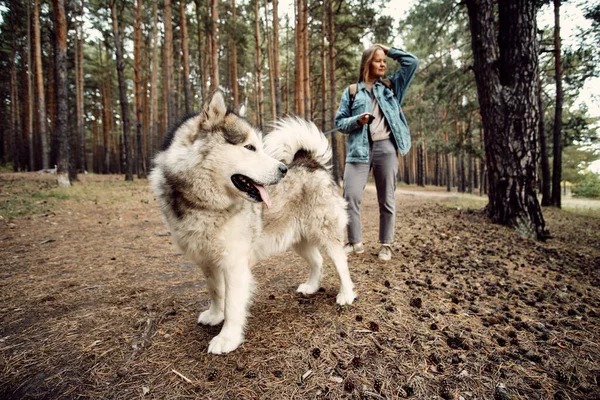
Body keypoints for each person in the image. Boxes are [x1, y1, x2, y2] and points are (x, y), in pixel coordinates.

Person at [334, 44, 418, 261]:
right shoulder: (352, 91)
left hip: (386, 148)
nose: (383, 64)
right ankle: (354, 242)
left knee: (386, 199)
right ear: (367, 63)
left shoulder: (391, 87)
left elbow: (412, 62)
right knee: (350, 195)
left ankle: (386, 245)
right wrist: (357, 120)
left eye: (384, 60)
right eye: (378, 60)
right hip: (358, 150)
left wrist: (388, 50)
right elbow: (340, 123)